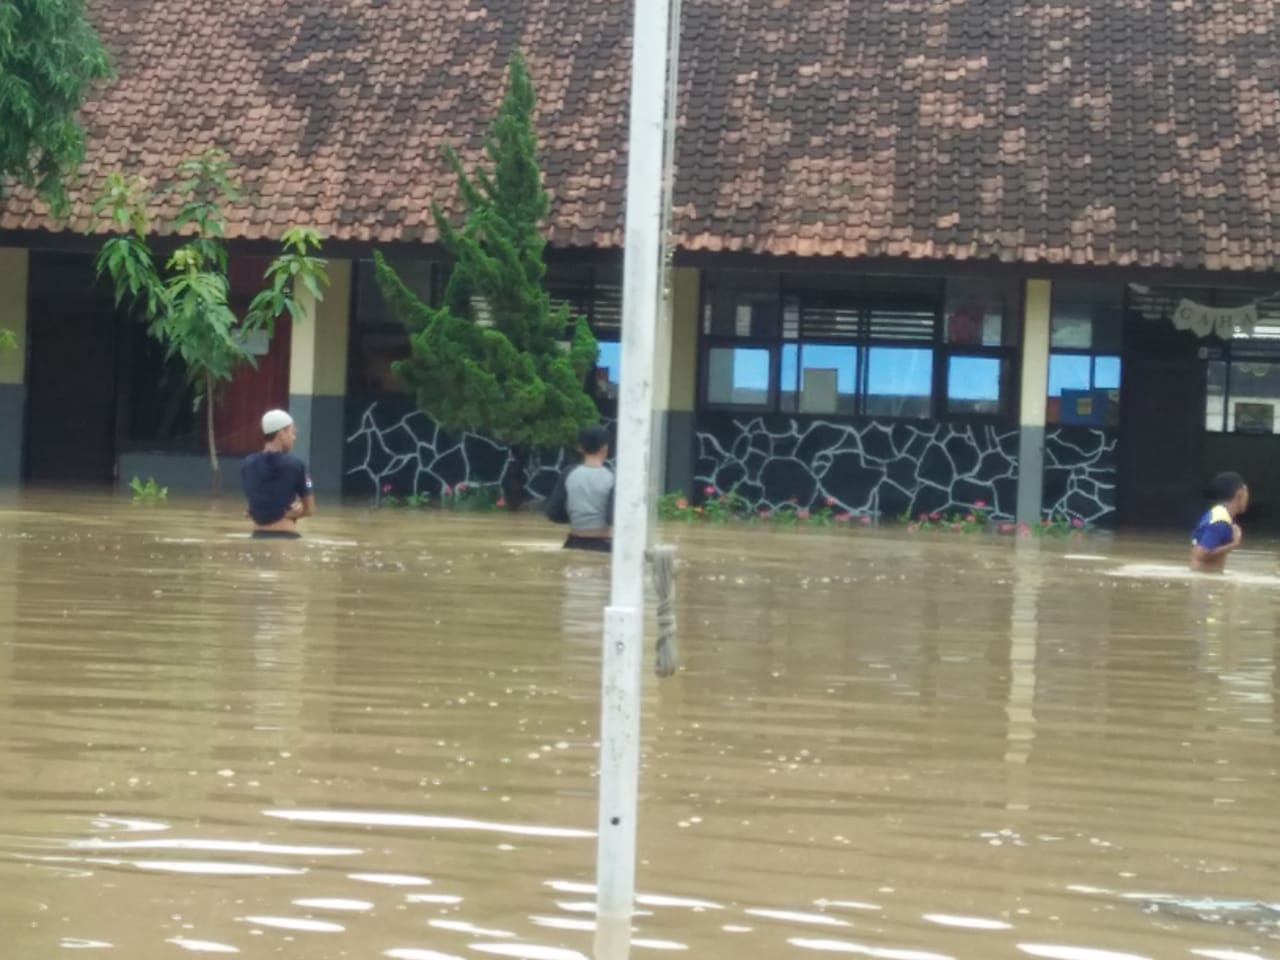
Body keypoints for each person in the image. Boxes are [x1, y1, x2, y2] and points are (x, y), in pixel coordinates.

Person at [241, 409, 315, 540]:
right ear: (281, 434)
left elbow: (251, 506)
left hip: (257, 537)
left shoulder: (248, 464)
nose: (294, 437)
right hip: (286, 538)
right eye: (292, 432)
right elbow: (310, 509)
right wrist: (298, 512)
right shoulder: (297, 465)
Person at [546, 424, 614, 553]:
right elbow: (612, 517)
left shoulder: (568, 473)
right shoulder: (613, 477)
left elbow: (553, 512)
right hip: (603, 546)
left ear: (580, 448)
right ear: (605, 448)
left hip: (573, 543)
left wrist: (575, 516)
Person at [1190, 471, 1249, 572]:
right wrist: (1234, 544)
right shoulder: (1220, 521)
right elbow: (1200, 555)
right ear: (1240, 493)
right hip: (1205, 582)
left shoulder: (1220, 515)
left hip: (1208, 580)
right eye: (1246, 492)